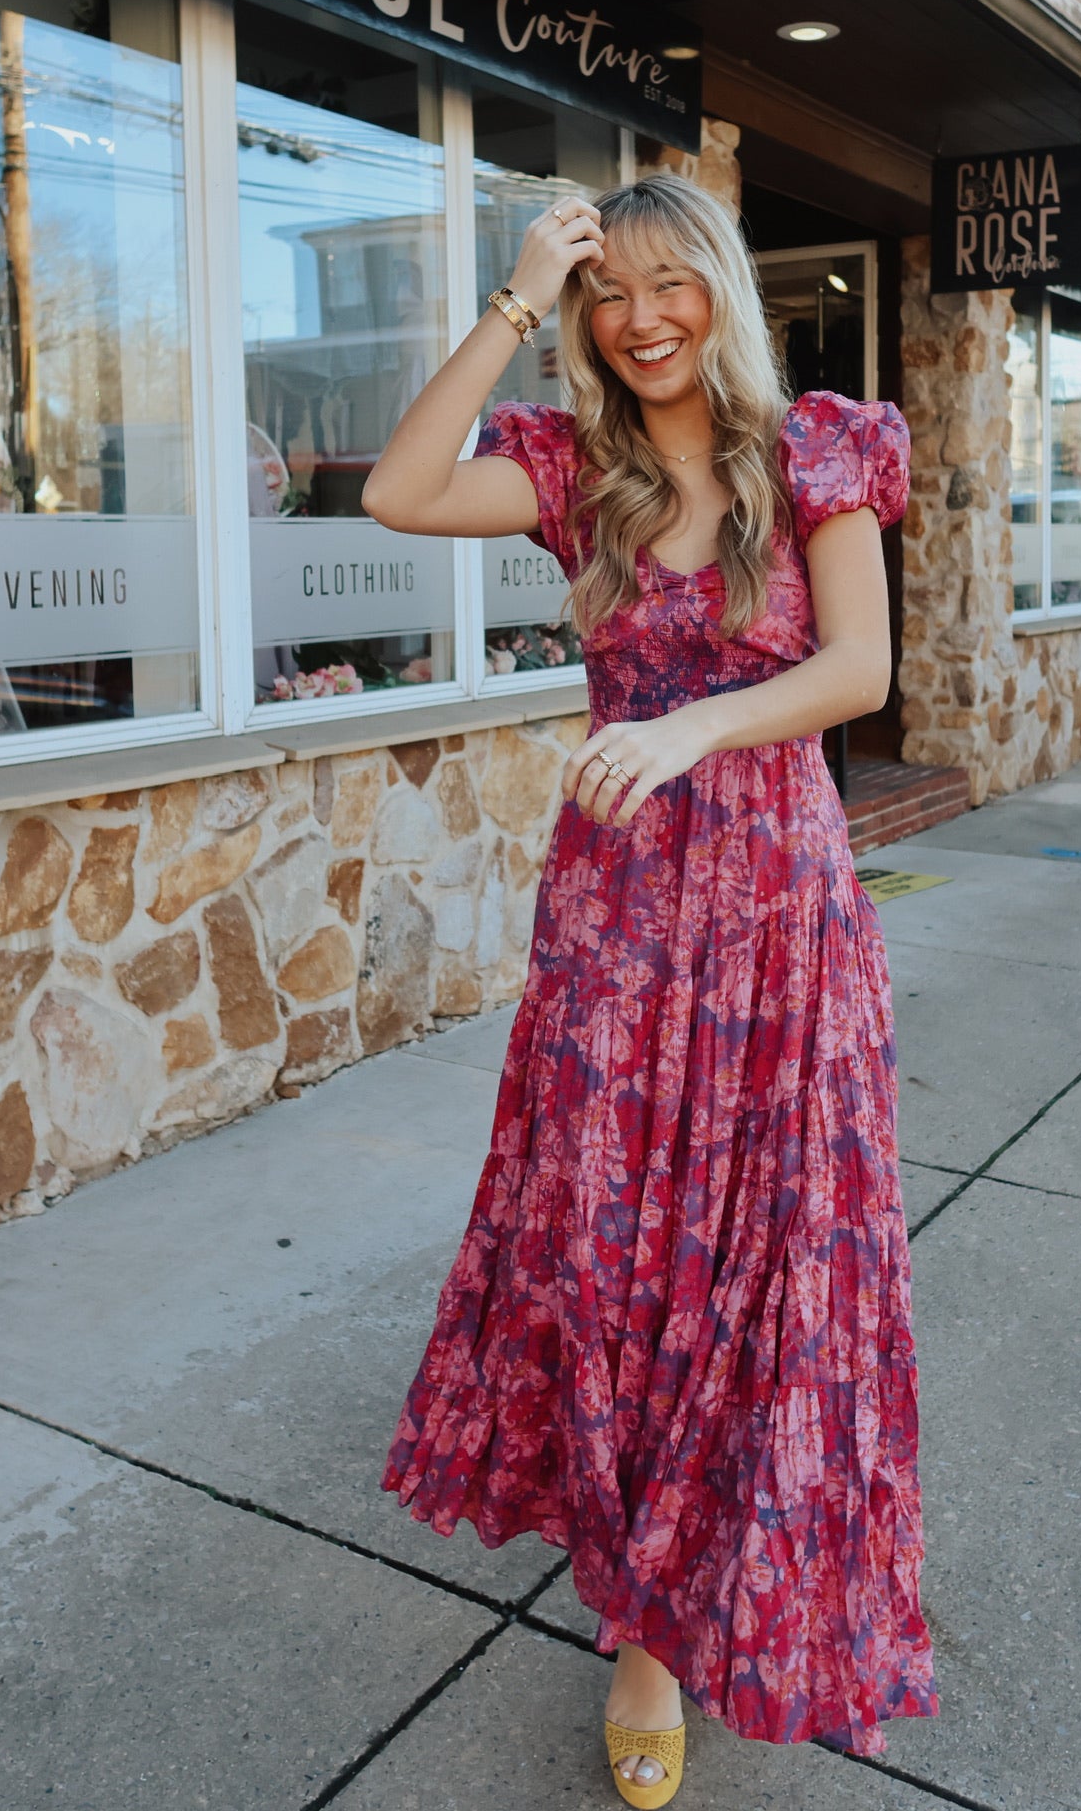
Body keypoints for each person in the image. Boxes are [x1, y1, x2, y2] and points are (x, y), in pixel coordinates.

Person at [371, 173, 935, 1805]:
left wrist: (690, 728)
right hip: (617, 931)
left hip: (779, 920)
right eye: (608, 292)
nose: (642, 315)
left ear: (722, 291)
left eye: (669, 279)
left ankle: (699, 1612)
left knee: (761, 1269)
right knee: (620, 1264)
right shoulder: (573, 473)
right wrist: (511, 297)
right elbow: (402, 494)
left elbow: (858, 671)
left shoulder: (814, 448)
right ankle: (639, 1619)